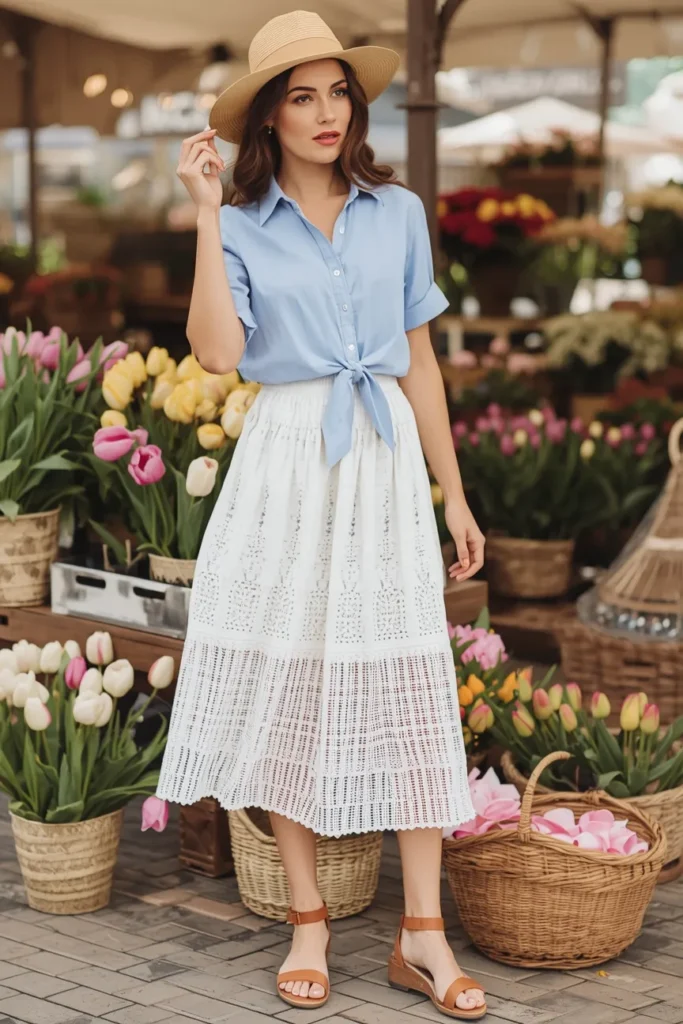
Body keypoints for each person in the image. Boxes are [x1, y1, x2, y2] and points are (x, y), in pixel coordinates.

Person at [156, 9, 486, 1020]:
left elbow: (419, 362)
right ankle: (309, 919)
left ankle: (420, 932)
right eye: (301, 96)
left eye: (337, 91)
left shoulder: (398, 212)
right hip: (288, 459)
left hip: (380, 456)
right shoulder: (241, 223)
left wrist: (452, 492)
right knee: (292, 680)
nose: (325, 111)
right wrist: (206, 213)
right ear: (268, 115)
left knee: (408, 677)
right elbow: (218, 354)